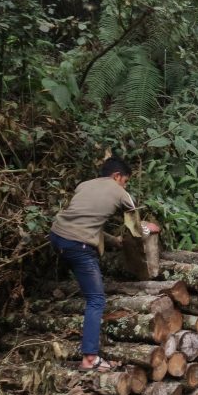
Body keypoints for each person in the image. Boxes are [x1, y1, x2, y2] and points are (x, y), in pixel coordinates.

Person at [49, 157, 160, 372]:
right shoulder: (120, 193)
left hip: (57, 236)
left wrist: (114, 241)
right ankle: (90, 357)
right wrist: (150, 228)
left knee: (89, 284)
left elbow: (86, 221)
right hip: (77, 244)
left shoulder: (84, 185)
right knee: (96, 299)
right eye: (125, 181)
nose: (125, 186)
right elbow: (136, 230)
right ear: (117, 176)